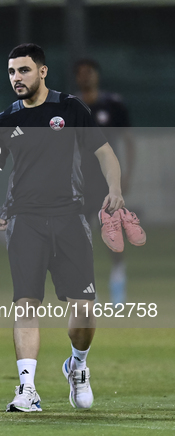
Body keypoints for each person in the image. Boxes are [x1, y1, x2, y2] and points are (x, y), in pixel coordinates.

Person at [0, 44, 125, 411]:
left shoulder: (70, 109)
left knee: (84, 310)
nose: (17, 78)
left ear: (42, 72)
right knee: (26, 303)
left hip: (70, 218)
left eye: (24, 71)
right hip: (24, 220)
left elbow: (105, 153)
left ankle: (76, 365)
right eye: (12, 72)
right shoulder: (5, 120)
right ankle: (27, 390)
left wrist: (115, 187)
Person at [74, 58, 137, 307]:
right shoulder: (72, 106)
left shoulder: (113, 104)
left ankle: (118, 281)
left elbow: (129, 140)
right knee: (80, 235)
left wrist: (127, 175)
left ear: (96, 75)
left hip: (107, 180)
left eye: (89, 72)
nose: (85, 77)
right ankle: (89, 290)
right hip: (80, 181)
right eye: (81, 73)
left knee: (112, 233)